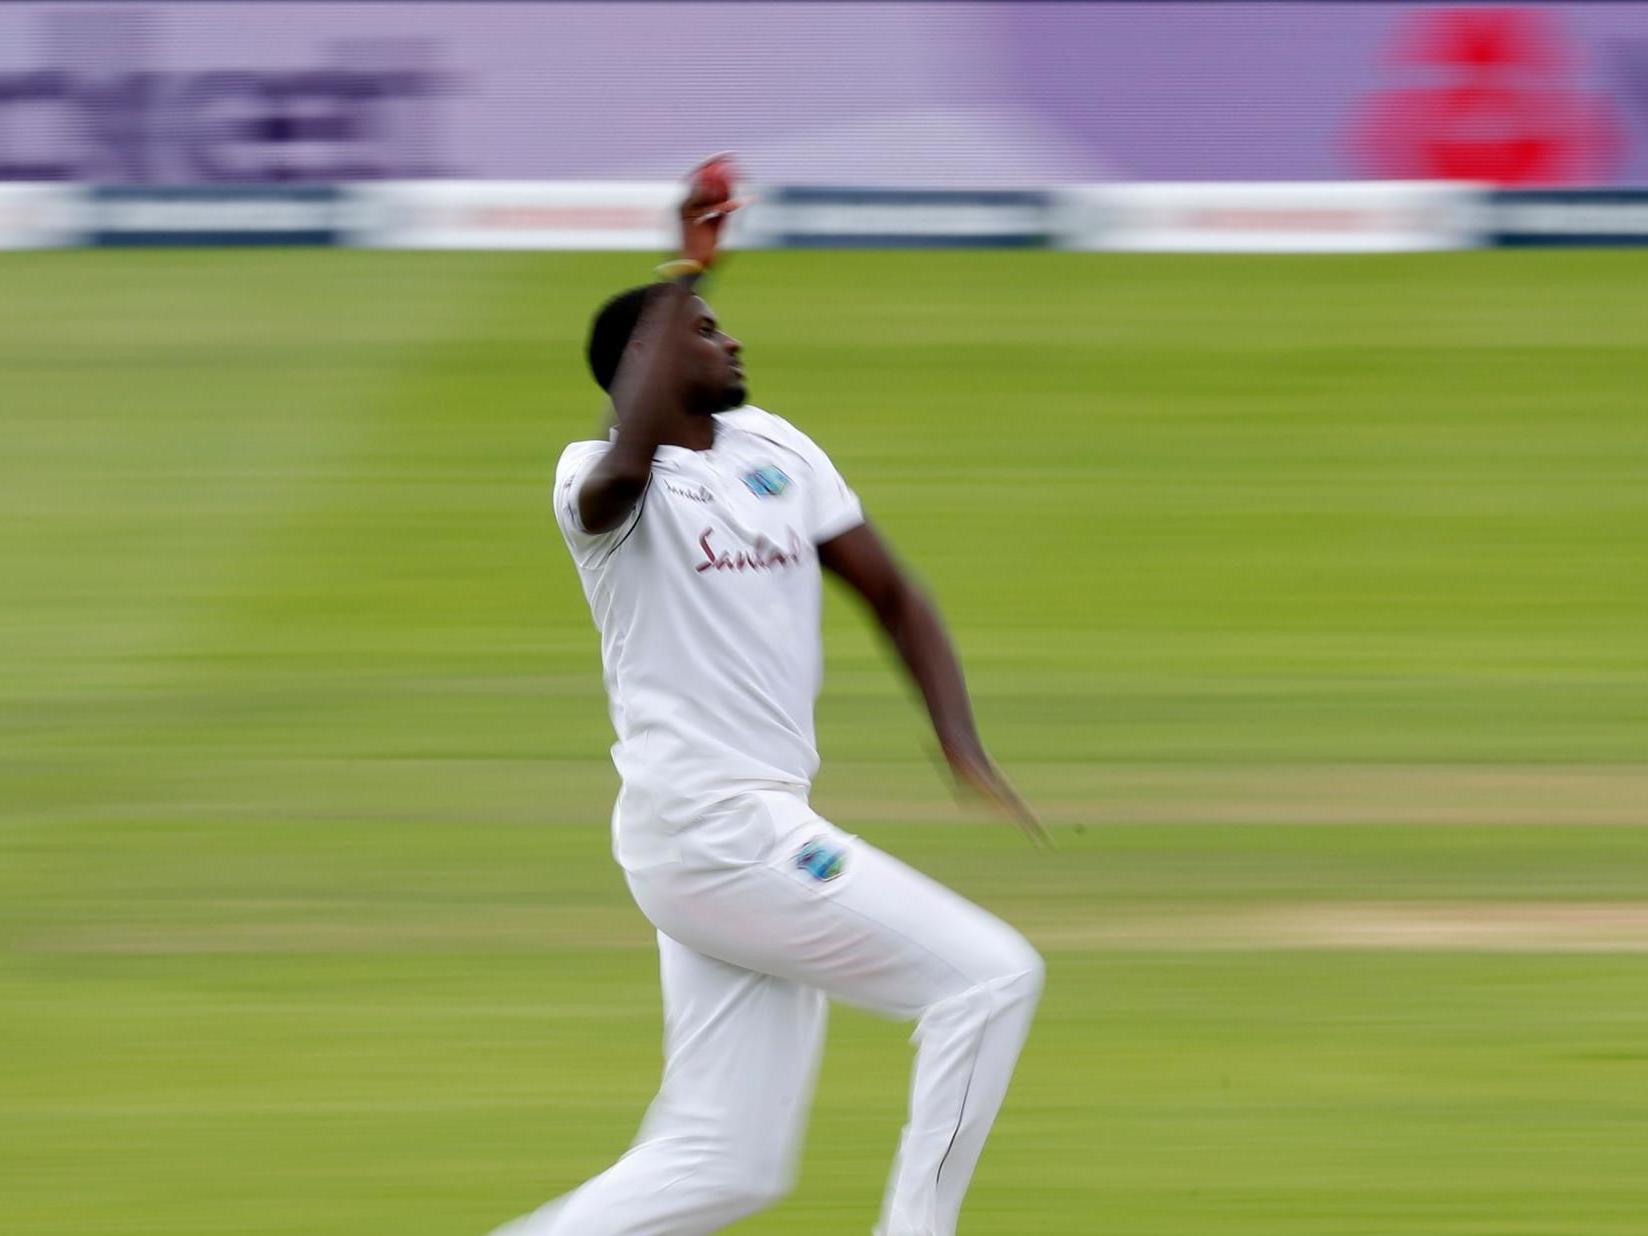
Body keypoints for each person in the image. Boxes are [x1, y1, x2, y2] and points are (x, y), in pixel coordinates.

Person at [492, 156, 1048, 1236]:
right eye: (704, 330)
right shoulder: (593, 479)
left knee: (724, 1162)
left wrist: (958, 741)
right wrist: (679, 272)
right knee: (989, 980)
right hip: (712, 828)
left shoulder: (778, 449)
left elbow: (893, 593)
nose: (730, 338)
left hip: (746, 830)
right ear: (648, 360)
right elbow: (625, 466)